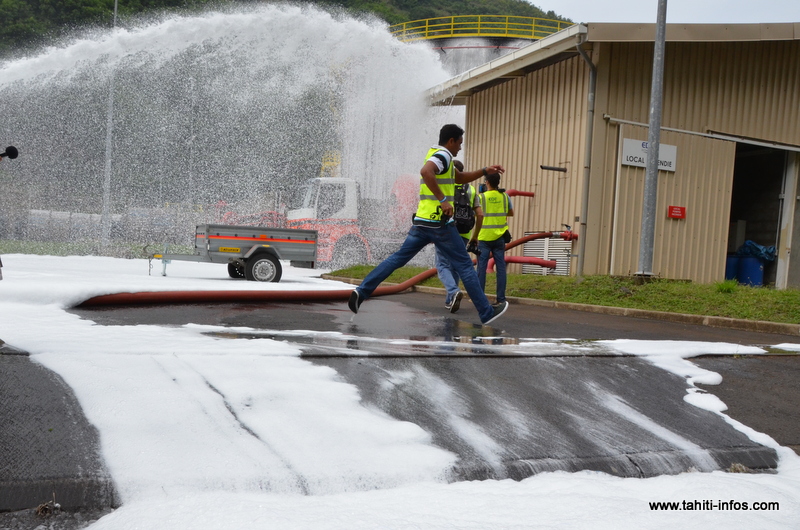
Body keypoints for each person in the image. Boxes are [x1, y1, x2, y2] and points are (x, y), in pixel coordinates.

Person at [348, 124, 509, 325]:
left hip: (422, 222)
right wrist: (443, 200)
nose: (460, 147)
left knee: (398, 258)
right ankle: (486, 312)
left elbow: (458, 177)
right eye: (459, 143)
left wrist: (484, 170)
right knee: (465, 266)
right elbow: (426, 172)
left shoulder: (437, 154)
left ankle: (361, 292)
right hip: (439, 223)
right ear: (451, 141)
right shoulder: (443, 155)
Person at [434, 160, 483, 313]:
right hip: (465, 233)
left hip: (445, 230)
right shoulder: (472, 190)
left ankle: (453, 291)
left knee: (442, 264)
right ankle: (450, 300)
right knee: (455, 266)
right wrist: (475, 237)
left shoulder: (444, 187)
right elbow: (480, 215)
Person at [476, 172, 514, 305]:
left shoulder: (481, 197)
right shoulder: (505, 196)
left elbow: (476, 214)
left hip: (484, 237)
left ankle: (480, 299)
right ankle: (501, 299)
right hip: (500, 237)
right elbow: (511, 213)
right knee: (501, 268)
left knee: (481, 268)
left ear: (487, 182)